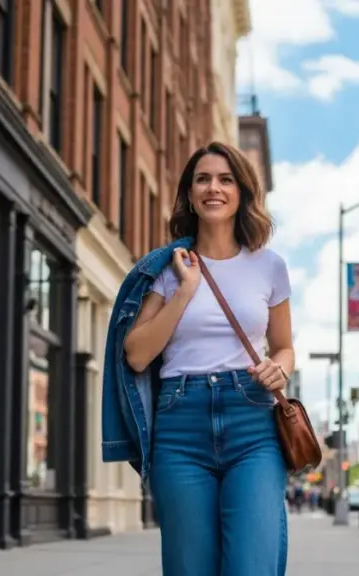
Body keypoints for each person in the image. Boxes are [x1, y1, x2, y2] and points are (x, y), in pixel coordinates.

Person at [101, 141, 294, 575]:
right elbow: (135, 354)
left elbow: (284, 345)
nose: (214, 188)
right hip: (179, 426)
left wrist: (279, 367)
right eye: (202, 179)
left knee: (252, 566)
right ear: (189, 194)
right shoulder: (168, 268)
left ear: (242, 192)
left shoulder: (269, 266)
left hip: (252, 423)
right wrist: (185, 289)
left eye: (226, 179)